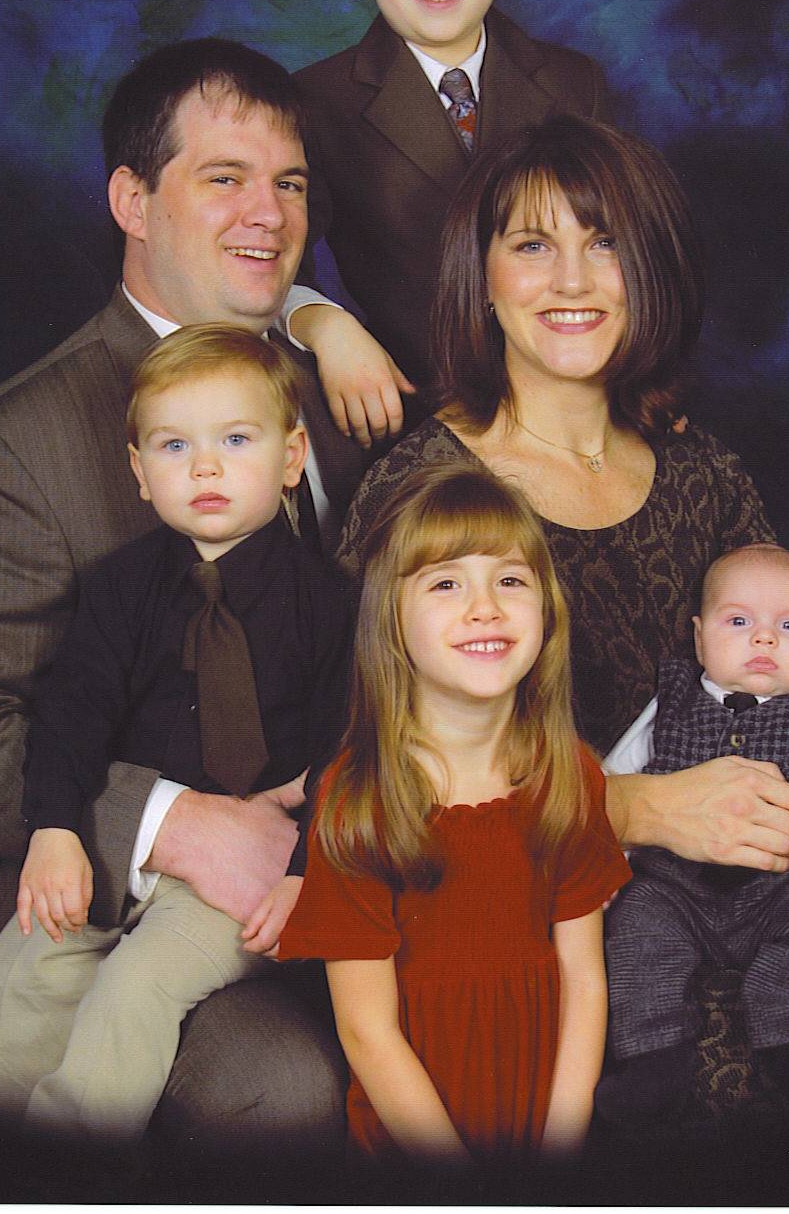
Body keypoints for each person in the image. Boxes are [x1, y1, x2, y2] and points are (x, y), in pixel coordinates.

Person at [337, 113, 789, 1090]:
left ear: (649, 269)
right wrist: (639, 806)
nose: (573, 280)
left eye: (604, 243)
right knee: (731, 1108)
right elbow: (379, 774)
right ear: (482, 277)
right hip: (547, 937)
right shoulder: (423, 491)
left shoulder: (701, 470)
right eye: (532, 245)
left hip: (770, 908)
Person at [0, 39, 377, 1155]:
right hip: (100, 891)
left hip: (325, 857)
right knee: (277, 1086)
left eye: (290, 182)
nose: (268, 213)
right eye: (224, 177)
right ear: (132, 201)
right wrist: (177, 826)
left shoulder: (339, 394)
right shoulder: (10, 444)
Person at [0, 325, 353, 1143]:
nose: (204, 467)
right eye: (175, 445)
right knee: (10, 982)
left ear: (291, 456)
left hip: (251, 880)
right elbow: (70, 714)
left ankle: (78, 1179)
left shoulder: (329, 604)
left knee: (132, 993)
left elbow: (349, 750)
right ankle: (9, 1167)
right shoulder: (119, 588)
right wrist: (56, 828)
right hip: (133, 855)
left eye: (235, 440)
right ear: (140, 471)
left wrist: (304, 873)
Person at [279, 463, 630, 1163]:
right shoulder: (359, 798)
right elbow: (367, 1031)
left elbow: (584, 979)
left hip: (543, 1127)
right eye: (446, 583)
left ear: (547, 609)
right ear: (392, 620)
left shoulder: (567, 776)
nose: (485, 607)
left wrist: (560, 1147)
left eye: (510, 580)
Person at [295, 0, 611, 417]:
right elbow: (280, 266)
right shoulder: (315, 103)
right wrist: (324, 324)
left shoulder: (575, 84)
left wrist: (642, 376)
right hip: (421, 408)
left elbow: (631, 253)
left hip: (576, 397)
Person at [598, 543, 789, 1121]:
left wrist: (788, 807)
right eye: (738, 622)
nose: (764, 638)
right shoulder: (672, 700)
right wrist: (612, 858)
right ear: (700, 638)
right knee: (635, 923)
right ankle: (651, 1056)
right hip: (676, 888)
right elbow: (616, 780)